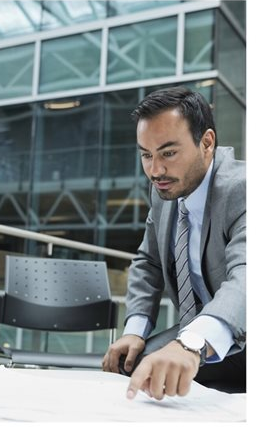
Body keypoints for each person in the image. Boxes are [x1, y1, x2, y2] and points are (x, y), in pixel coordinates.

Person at [102, 86, 246, 400]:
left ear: (206, 143)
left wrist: (191, 344)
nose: (155, 171)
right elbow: (148, 262)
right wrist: (135, 330)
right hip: (197, 331)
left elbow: (248, 276)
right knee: (131, 366)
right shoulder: (165, 190)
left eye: (168, 153)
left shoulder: (244, 189)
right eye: (146, 155)